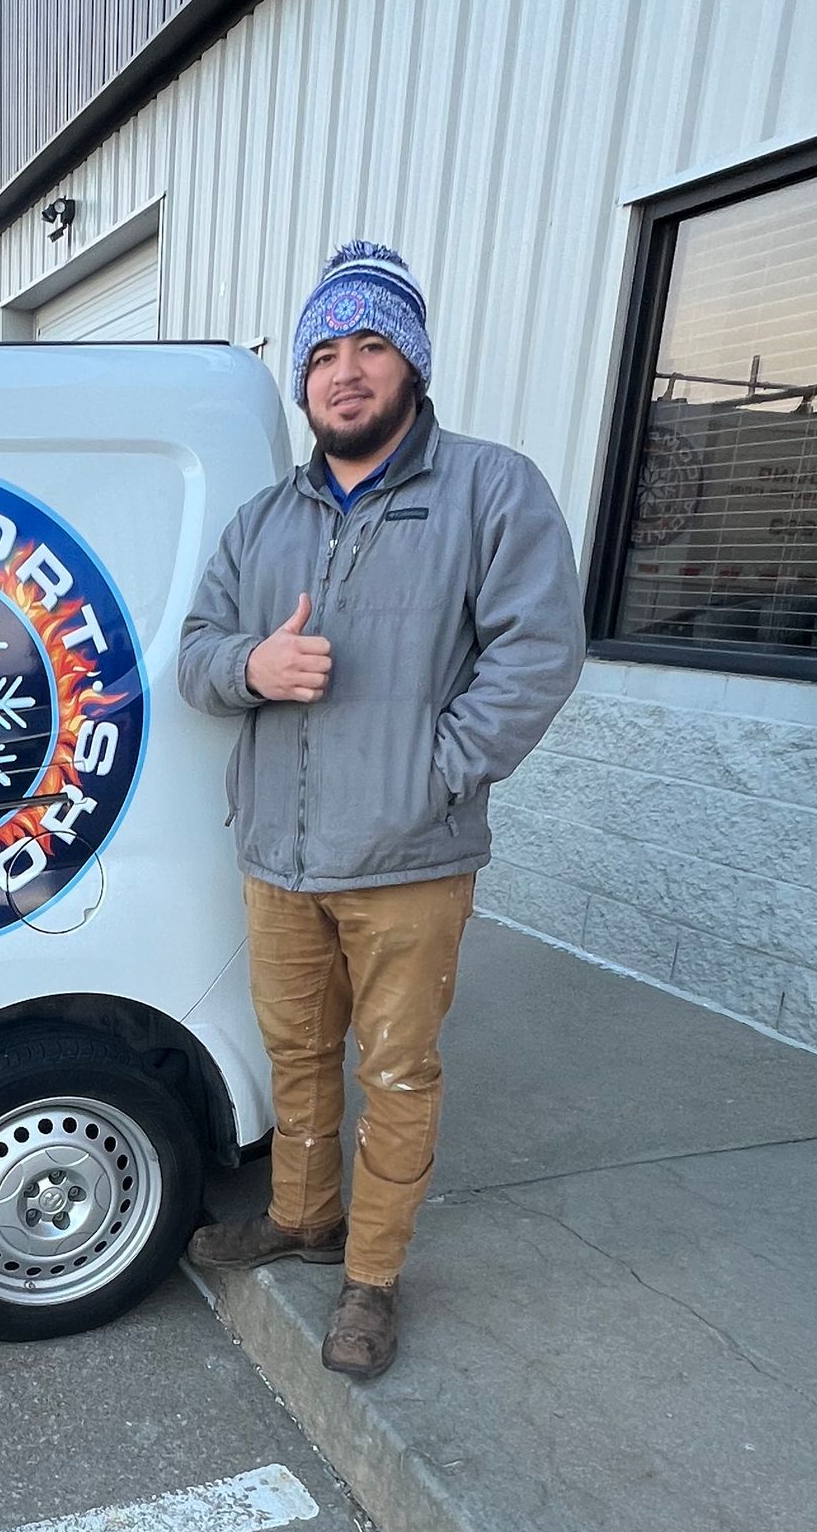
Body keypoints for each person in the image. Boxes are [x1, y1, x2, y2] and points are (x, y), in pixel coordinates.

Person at [177, 239, 584, 1378]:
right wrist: (253, 668)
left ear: (411, 363)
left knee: (397, 1072)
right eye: (323, 352)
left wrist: (438, 770)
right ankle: (303, 1216)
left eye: (369, 345)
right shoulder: (263, 522)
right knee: (296, 1053)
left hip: (409, 859)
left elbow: (539, 653)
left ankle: (371, 1276)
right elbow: (195, 656)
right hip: (276, 857)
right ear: (303, 380)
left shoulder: (491, 488)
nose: (343, 371)